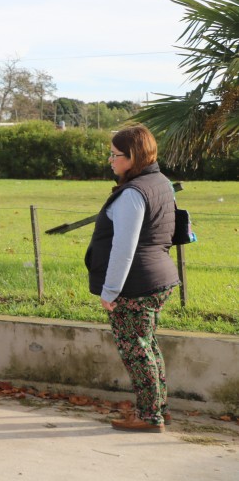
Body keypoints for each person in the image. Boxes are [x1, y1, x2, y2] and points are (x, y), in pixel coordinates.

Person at [85, 124, 179, 433]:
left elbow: (123, 248)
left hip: (136, 284)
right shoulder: (160, 181)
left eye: (115, 155)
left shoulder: (133, 194)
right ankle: (155, 409)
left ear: (133, 157)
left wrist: (110, 290)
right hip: (158, 276)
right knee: (147, 345)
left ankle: (150, 416)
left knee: (136, 350)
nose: (110, 161)